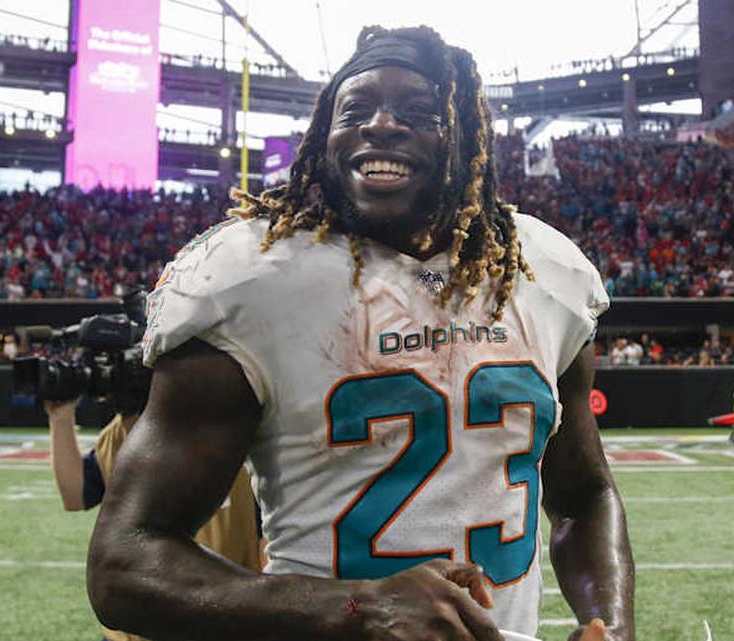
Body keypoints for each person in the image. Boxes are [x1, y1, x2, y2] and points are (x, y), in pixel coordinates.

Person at [88, 25, 632, 641]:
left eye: (418, 112)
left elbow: (585, 495)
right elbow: (124, 564)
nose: (380, 125)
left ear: (469, 142)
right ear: (324, 136)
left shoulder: (541, 270)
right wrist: (356, 608)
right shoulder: (250, 281)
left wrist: (609, 626)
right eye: (355, 110)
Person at [45, 396, 263, 641]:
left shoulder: (235, 426)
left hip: (217, 618)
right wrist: (60, 417)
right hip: (136, 627)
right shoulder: (122, 431)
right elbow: (76, 493)